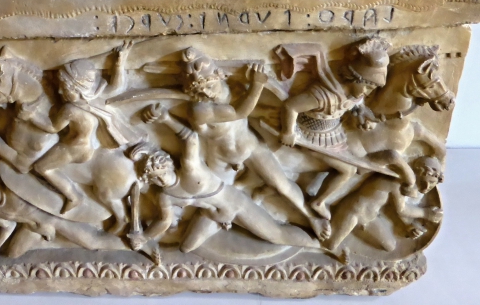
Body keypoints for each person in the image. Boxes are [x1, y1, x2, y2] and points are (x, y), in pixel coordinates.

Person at [142, 47, 331, 241]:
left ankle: (311, 217)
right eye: (199, 90)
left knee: (282, 185)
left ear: (219, 76)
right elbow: (239, 112)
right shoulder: (199, 109)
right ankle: (222, 216)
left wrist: (265, 110)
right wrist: (257, 84)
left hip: (250, 147)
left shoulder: (232, 89)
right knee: (214, 207)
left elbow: (246, 112)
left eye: (209, 85)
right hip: (220, 160)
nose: (206, 92)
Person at [128, 122, 318, 254]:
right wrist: (144, 237)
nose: (161, 180)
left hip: (234, 205)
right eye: (154, 178)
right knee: (186, 247)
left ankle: (320, 244)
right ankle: (224, 218)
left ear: (168, 165)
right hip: (211, 214)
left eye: (162, 173)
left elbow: (191, 138)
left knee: (276, 234)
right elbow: (163, 221)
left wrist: (165, 118)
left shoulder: (190, 169)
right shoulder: (165, 196)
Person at [277, 38, 390, 220]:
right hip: (312, 136)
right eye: (367, 85)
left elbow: (356, 106)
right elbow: (291, 106)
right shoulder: (323, 96)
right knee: (348, 170)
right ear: (354, 78)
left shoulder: (354, 94)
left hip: (334, 134)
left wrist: (362, 115)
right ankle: (318, 201)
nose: (368, 91)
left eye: (372, 87)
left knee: (359, 159)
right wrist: (288, 132)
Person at [20, 42, 137, 213]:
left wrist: (31, 116)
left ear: (77, 87)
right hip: (90, 147)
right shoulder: (93, 100)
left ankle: (73, 197)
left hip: (74, 148)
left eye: (64, 88)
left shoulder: (70, 109)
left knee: (41, 168)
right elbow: (114, 87)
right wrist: (120, 63)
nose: (60, 92)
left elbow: (52, 128)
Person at [0, 171, 125, 258]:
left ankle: (128, 244)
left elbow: (41, 192)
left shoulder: (13, 189)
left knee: (92, 242)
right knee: (13, 254)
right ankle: (50, 242)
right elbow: (8, 226)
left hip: (53, 218)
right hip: (32, 228)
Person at [326, 156, 444, 253]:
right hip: (353, 211)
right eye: (431, 182)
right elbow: (402, 209)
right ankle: (319, 225)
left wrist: (408, 225)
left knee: (390, 246)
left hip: (369, 218)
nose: (429, 187)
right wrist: (426, 213)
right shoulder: (396, 181)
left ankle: (342, 234)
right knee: (330, 245)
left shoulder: (402, 183)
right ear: (421, 172)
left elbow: (393, 207)